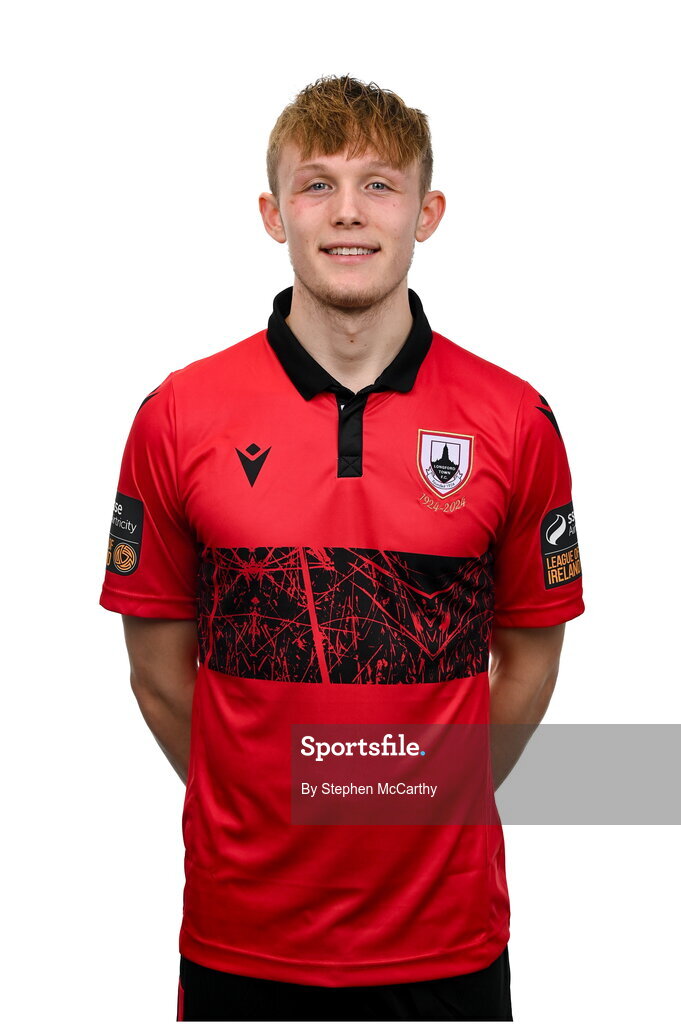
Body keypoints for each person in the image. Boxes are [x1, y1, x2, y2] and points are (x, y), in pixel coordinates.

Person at [100, 74, 584, 1022]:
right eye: (316, 185)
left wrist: (418, 806)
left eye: (379, 184)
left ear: (427, 212)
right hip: (243, 934)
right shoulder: (175, 416)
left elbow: (527, 660)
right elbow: (158, 677)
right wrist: (265, 807)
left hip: (446, 939)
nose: (348, 213)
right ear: (273, 214)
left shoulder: (514, 420)